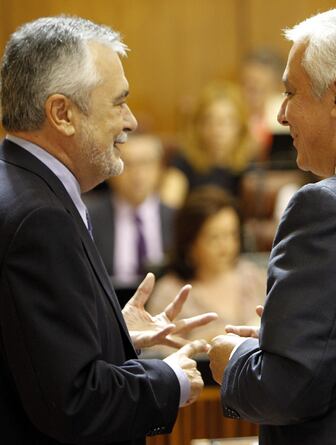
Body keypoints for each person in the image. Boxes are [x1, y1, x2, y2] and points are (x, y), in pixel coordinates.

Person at [0, 16, 217, 444]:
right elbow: (72, 401)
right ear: (62, 113)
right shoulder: (39, 217)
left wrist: (111, 333)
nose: (131, 121)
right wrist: (168, 378)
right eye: (118, 102)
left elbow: (28, 354)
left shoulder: (20, 186)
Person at [209, 7, 336, 445]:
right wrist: (289, 337)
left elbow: (288, 391)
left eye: (290, 92)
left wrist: (238, 359)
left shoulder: (328, 206)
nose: (281, 115)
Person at [149, 186, 266, 349]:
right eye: (214, 237)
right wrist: (201, 343)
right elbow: (157, 354)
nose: (225, 246)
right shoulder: (168, 292)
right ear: (190, 243)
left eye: (231, 234)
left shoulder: (256, 278)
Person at [85, 133, 175, 289]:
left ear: (160, 169)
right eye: (128, 164)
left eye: (145, 163)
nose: (137, 174)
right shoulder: (88, 217)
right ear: (111, 169)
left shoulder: (176, 218)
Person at [160, 81, 254, 208]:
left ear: (240, 128)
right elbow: (168, 205)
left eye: (226, 122)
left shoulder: (250, 164)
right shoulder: (184, 161)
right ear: (198, 126)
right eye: (209, 121)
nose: (217, 131)